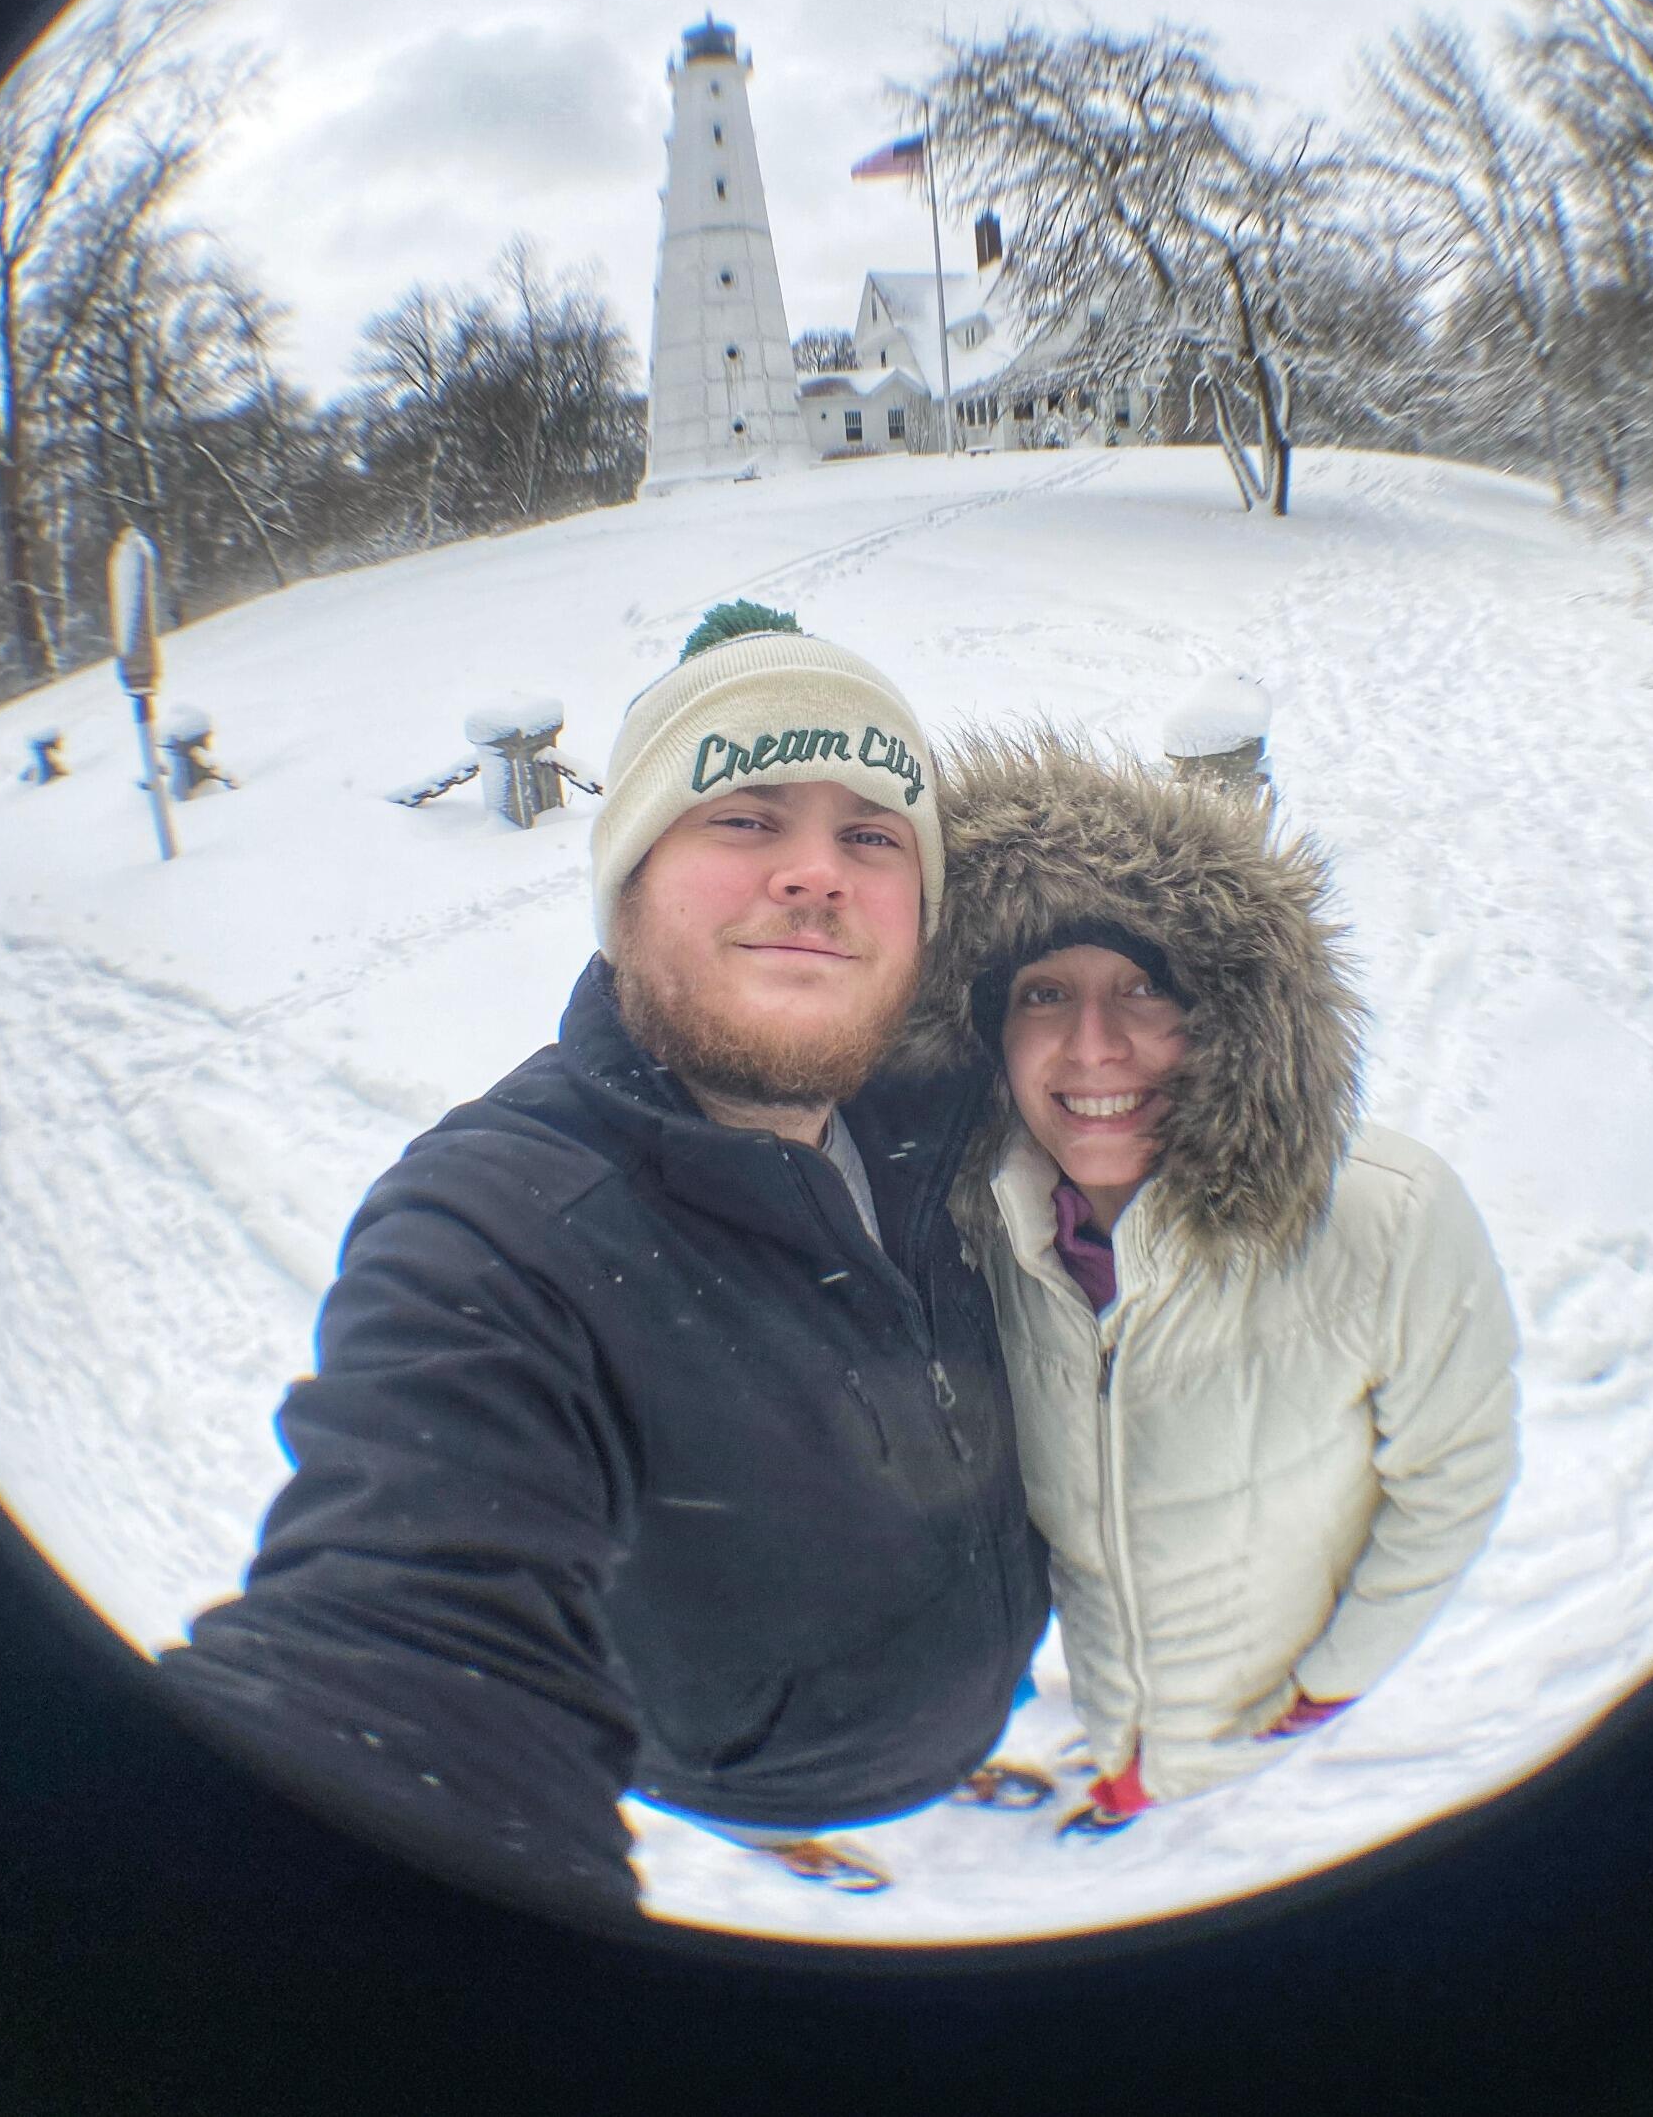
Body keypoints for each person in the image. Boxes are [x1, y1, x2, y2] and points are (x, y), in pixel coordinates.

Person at [155, 608, 1049, 1921]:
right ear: (624, 887)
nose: (814, 874)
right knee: (786, 1797)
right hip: (758, 1759)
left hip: (984, 1666)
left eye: (869, 834)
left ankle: (952, 1748)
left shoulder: (986, 1112)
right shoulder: (495, 1229)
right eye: (741, 819)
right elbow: (401, 1652)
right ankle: (783, 1835)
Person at [906, 725, 1520, 1838]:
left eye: (1143, 987)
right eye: (1044, 993)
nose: (1093, 1048)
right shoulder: (967, 1231)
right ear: (985, 1033)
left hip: (1272, 1744)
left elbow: (1454, 1477)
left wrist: (1337, 1680)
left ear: (1225, 1018)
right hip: (1110, 1682)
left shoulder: (1386, 1216)